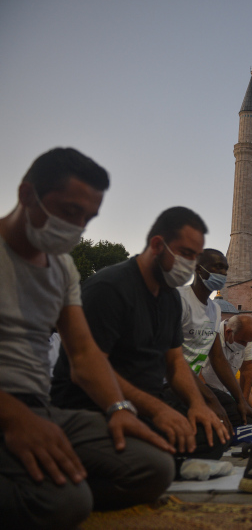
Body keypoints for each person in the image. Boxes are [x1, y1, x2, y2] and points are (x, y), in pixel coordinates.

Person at [0, 148, 174, 527]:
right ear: (27, 195)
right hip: (8, 409)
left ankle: (43, 481)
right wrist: (13, 419)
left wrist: (118, 408)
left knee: (155, 467)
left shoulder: (60, 267)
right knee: (64, 504)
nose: (77, 227)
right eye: (68, 212)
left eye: (87, 218)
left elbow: (83, 353)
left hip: (38, 406)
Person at [50, 206, 230, 461]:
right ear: (158, 245)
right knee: (155, 465)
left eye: (194, 257)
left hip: (145, 405)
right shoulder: (110, 289)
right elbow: (89, 368)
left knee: (213, 438)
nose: (189, 265)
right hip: (97, 406)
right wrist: (157, 410)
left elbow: (175, 362)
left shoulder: (169, 299)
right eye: (185, 254)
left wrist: (199, 404)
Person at [181, 250, 252, 429]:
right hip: (173, 384)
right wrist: (210, 398)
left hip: (196, 387)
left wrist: (241, 400)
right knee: (218, 428)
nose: (223, 274)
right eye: (217, 268)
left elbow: (218, 357)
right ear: (197, 268)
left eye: (225, 269)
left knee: (247, 421)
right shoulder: (178, 300)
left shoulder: (214, 310)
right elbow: (173, 360)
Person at [199, 314, 252, 428]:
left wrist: (243, 402)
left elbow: (247, 369)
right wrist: (209, 400)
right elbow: (197, 371)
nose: (245, 345)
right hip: (204, 391)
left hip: (227, 393)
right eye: (242, 341)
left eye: (248, 342)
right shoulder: (209, 333)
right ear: (228, 332)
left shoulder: (245, 338)